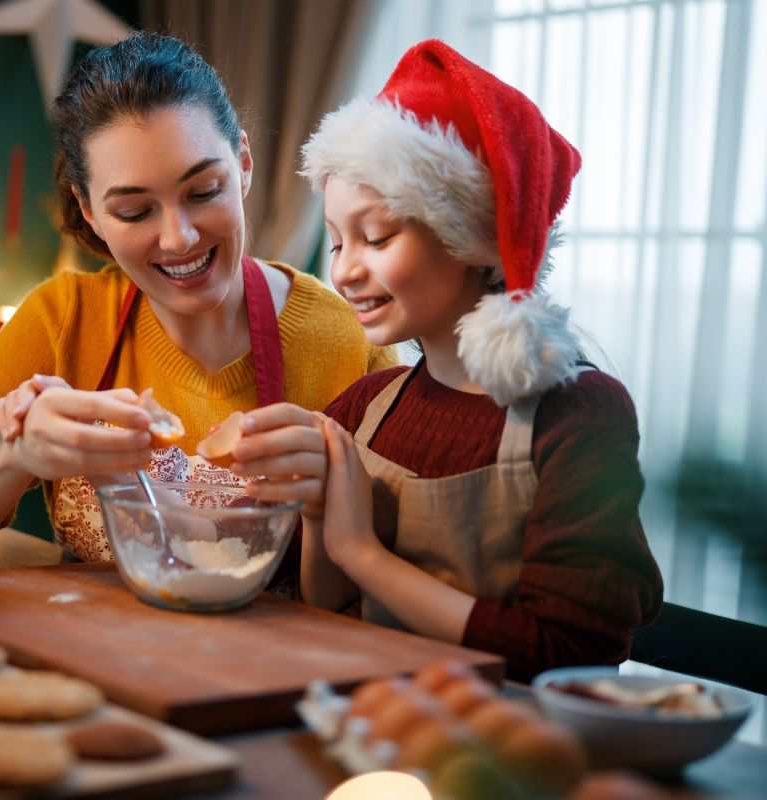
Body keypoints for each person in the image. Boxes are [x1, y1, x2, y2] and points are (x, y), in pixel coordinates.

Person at [230, 40, 662, 681]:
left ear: (475, 235)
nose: (345, 270)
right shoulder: (364, 407)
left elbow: (568, 654)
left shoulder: (579, 415)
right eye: (338, 238)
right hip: (373, 727)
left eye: (376, 236)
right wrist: (320, 516)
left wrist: (362, 552)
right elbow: (327, 606)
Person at [0, 32, 395, 571]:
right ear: (88, 210)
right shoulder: (62, 321)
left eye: (203, 192)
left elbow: (407, 554)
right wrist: (15, 454)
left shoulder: (348, 339)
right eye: (134, 211)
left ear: (243, 164)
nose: (178, 238)